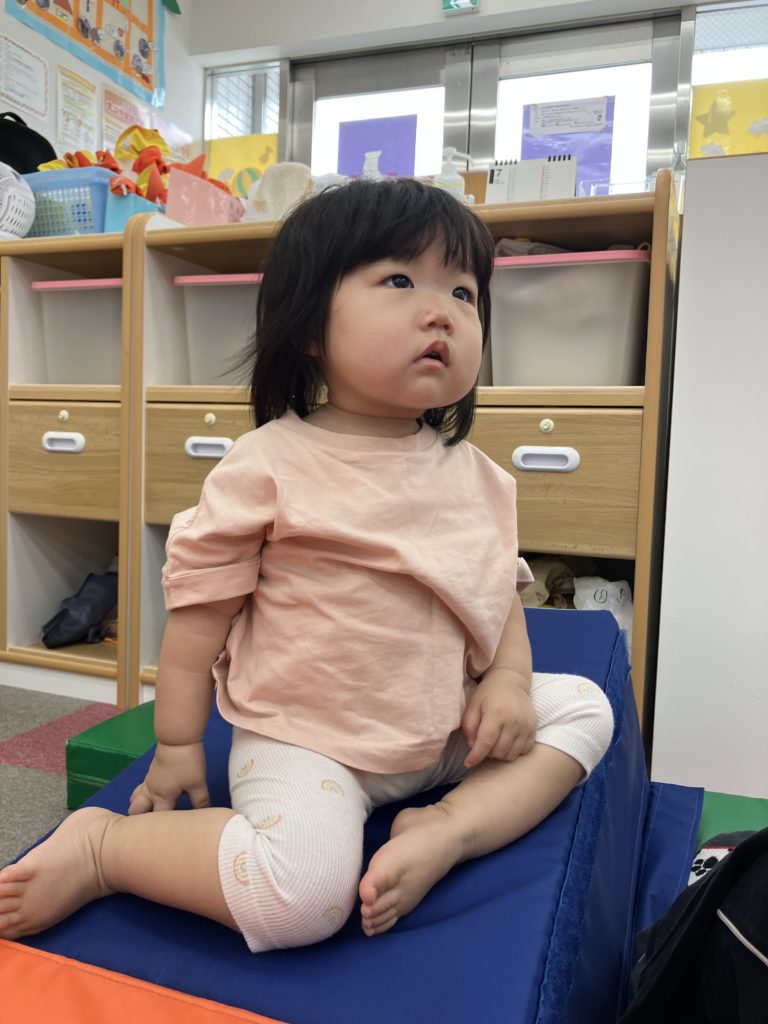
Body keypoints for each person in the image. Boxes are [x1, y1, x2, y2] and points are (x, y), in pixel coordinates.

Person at [0, 178, 613, 951]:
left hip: (444, 728)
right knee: (301, 901)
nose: (441, 313)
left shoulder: (478, 478)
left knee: (586, 708)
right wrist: (178, 743)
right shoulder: (269, 464)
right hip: (310, 741)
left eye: (463, 292)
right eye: (400, 281)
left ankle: (451, 828)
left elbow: (494, 600)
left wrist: (509, 684)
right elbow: (200, 619)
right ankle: (104, 850)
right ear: (311, 328)